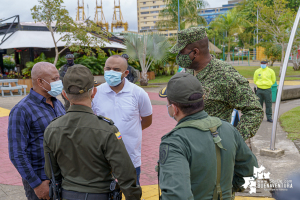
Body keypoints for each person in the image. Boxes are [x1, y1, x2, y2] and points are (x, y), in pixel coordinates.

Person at [43, 64, 142, 200]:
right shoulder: (107, 129)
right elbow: (125, 173)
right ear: (94, 92)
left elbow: (52, 172)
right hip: (100, 195)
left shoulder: (52, 129)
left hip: (67, 194)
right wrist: (134, 197)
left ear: (64, 94)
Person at [158, 73, 258, 200]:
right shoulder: (228, 128)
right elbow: (251, 170)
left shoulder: (174, 142)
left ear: (174, 109)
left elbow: (176, 196)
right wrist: (228, 190)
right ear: (203, 99)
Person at [168, 26, 263, 140]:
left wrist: (233, 140)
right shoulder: (188, 71)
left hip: (214, 150)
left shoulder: (225, 75)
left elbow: (255, 110)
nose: (179, 56)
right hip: (188, 143)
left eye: (181, 52)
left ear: (195, 52)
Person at [8, 62, 66, 200]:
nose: (59, 82)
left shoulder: (57, 103)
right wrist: (37, 185)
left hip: (63, 177)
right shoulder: (21, 110)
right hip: (42, 181)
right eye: (55, 79)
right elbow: (17, 154)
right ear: (40, 82)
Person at [92, 55, 153, 186]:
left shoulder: (138, 93)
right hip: (102, 159)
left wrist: (129, 131)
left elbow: (147, 120)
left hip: (130, 157)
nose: (111, 72)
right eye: (108, 68)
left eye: (116, 69)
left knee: (132, 192)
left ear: (125, 73)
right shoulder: (95, 93)